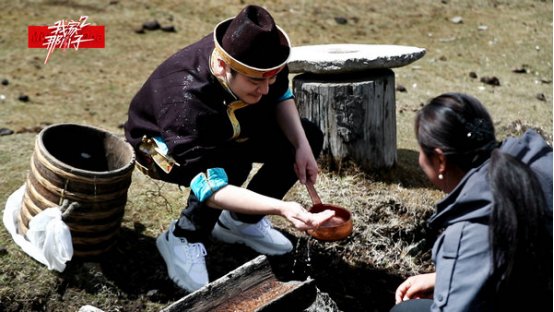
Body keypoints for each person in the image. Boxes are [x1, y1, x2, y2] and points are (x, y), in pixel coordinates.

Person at [124, 5, 335, 292]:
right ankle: (184, 236)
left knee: (307, 135)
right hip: (161, 147)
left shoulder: (261, 62)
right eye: (255, 82)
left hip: (230, 120)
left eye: (269, 79)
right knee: (230, 165)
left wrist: (302, 146)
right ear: (223, 67)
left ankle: (241, 222)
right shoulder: (185, 98)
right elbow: (210, 186)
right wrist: (281, 208)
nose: (264, 89)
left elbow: (279, 95)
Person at [391, 93, 553, 311]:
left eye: (420, 151)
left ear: (440, 160)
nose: (419, 160)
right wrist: (445, 278)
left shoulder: (471, 229)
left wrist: (454, 275)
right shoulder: (538, 166)